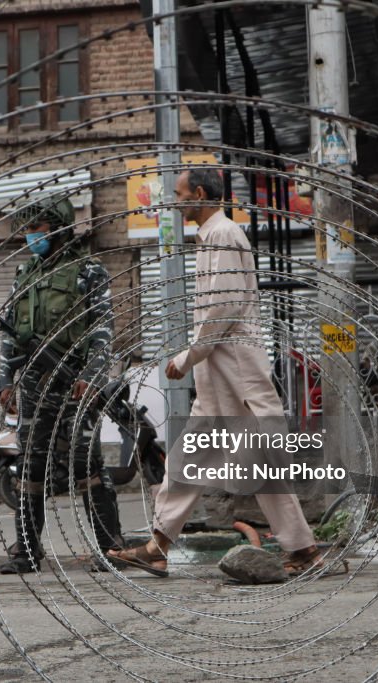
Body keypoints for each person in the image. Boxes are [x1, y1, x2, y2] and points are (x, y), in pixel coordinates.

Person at [111, 168, 322, 577]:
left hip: (236, 374)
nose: (175, 201)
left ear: (201, 194)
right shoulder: (211, 236)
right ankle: (159, 544)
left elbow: (222, 308)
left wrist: (187, 357)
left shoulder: (223, 234)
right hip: (218, 375)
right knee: (186, 459)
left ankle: (305, 551)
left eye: (180, 194)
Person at [0, 196, 124, 575]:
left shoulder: (88, 271)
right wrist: (6, 378)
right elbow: (12, 333)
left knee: (86, 463)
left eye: (37, 228)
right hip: (36, 383)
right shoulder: (26, 274)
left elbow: (103, 329)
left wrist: (92, 376)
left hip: (76, 383)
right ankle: (27, 551)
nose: (30, 235)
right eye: (28, 228)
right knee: (30, 465)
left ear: (57, 228)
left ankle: (109, 548)